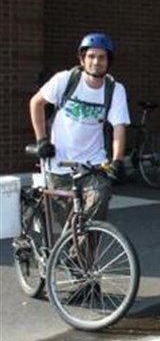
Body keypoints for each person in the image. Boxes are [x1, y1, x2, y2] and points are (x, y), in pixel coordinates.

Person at [29, 32, 130, 221]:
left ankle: (82, 251)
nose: (96, 62)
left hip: (93, 164)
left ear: (109, 61)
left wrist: (117, 160)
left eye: (101, 57)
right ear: (82, 59)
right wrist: (42, 140)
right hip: (59, 164)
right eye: (91, 56)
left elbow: (119, 127)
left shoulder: (115, 89)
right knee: (67, 226)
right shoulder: (65, 80)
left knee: (97, 205)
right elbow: (36, 103)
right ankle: (76, 249)